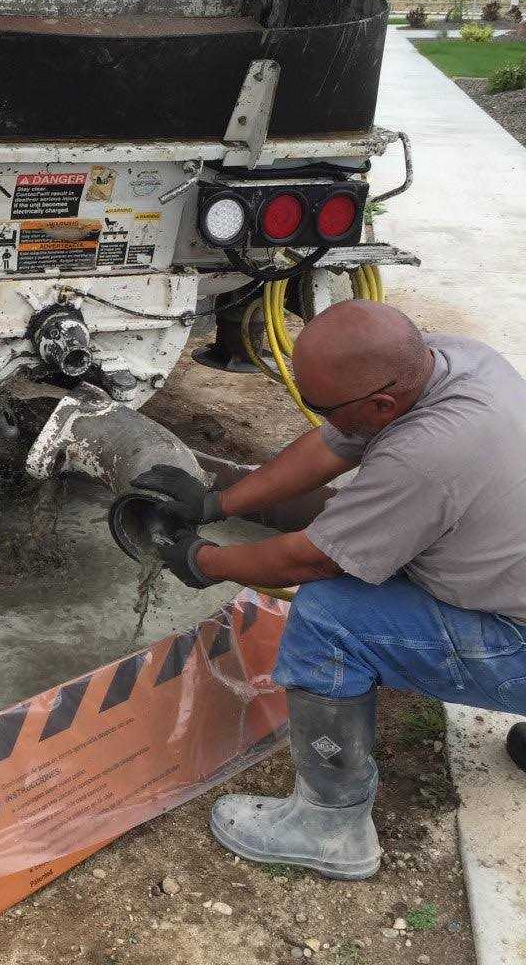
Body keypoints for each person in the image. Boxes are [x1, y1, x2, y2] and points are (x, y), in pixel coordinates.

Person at [131, 300, 526, 880]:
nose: (322, 419)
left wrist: (202, 559)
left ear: (381, 403)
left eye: (324, 407)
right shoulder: (455, 361)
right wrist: (215, 503)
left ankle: (330, 827)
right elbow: (329, 446)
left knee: (330, 619)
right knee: (380, 546)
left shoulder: (425, 458)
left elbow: (312, 561)